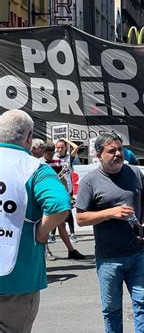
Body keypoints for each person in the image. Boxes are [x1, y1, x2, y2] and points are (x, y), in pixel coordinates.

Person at [0, 110, 71, 333]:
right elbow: (60, 204)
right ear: (30, 137)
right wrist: (42, 232)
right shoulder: (34, 168)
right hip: (16, 278)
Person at [75, 132, 144, 333]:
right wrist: (111, 213)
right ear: (99, 154)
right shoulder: (90, 181)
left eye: (120, 149)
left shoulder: (134, 173)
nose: (118, 154)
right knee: (111, 309)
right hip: (109, 258)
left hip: (137, 254)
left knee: (142, 303)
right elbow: (81, 218)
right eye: (112, 151)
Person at [40, 142, 85, 260]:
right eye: (48, 153)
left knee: (61, 223)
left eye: (52, 153)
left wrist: (67, 196)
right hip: (43, 196)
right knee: (44, 224)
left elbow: (64, 179)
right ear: (43, 152)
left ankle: (71, 251)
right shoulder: (39, 163)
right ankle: (47, 251)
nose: (50, 155)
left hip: (56, 196)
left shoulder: (57, 162)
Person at [54, 138, 79, 243]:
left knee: (68, 211)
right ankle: (52, 234)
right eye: (58, 147)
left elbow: (76, 147)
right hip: (57, 188)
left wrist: (65, 140)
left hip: (68, 189)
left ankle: (72, 234)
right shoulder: (54, 158)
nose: (60, 149)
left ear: (65, 148)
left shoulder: (69, 158)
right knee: (55, 210)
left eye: (62, 147)